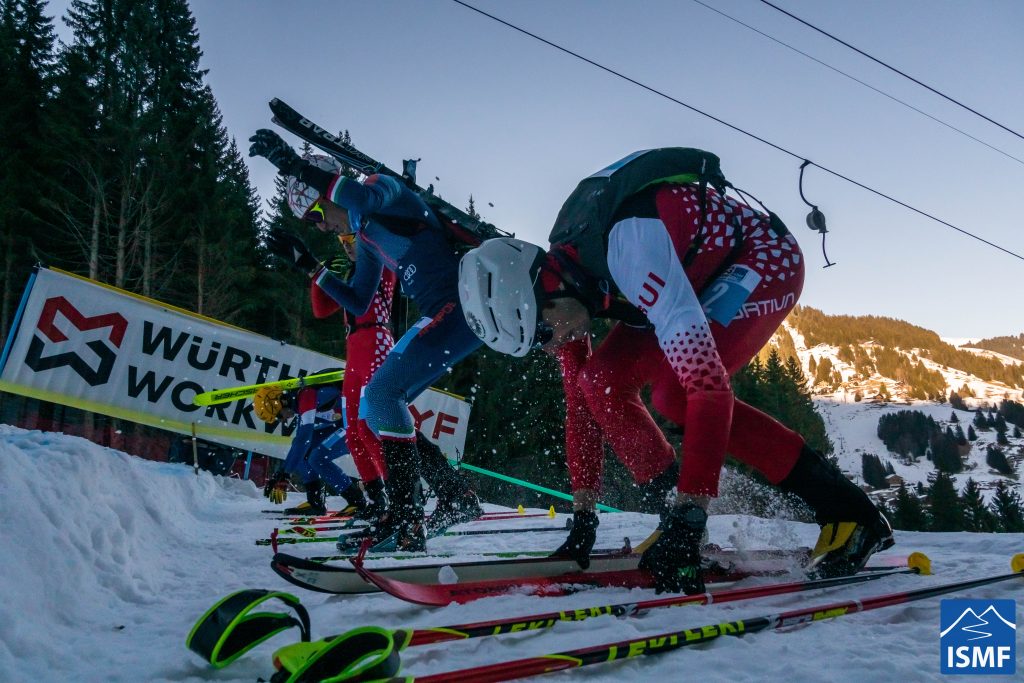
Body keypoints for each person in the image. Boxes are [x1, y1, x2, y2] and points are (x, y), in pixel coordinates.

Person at [458, 147, 894, 593]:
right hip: (687, 275)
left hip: (761, 258)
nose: (550, 349)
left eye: (542, 336)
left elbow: (709, 388)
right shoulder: (565, 284)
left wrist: (691, 516)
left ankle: (850, 512)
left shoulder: (632, 255)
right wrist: (583, 515)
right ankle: (672, 509)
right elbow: (580, 406)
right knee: (600, 382)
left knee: (678, 394)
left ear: (546, 295)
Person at [249, 133, 481, 551]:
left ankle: (409, 518)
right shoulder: (368, 237)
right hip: (443, 312)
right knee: (376, 409)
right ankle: (447, 499)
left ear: (325, 192)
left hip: (457, 306)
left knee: (379, 397)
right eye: (312, 223)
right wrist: (310, 267)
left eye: (316, 214)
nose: (321, 226)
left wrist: (292, 166)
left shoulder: (383, 188)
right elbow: (358, 298)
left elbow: (362, 197)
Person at [254, 381, 366, 516]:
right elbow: (299, 444)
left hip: (359, 424)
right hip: (344, 422)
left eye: (278, 416)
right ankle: (315, 502)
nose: (282, 421)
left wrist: (286, 475)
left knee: (317, 458)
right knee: (302, 453)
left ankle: (357, 501)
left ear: (281, 402)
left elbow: (304, 440)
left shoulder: (307, 397)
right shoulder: (300, 402)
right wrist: (281, 473)